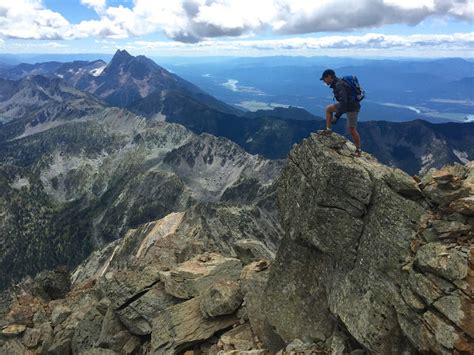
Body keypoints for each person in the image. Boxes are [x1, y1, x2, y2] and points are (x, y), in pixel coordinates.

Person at [320, 69, 362, 157]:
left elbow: (344, 103)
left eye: (324, 79)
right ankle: (328, 130)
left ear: (329, 77)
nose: (324, 81)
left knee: (352, 129)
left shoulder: (339, 85)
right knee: (328, 109)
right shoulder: (337, 83)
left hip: (352, 107)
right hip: (347, 104)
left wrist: (336, 116)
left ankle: (358, 151)